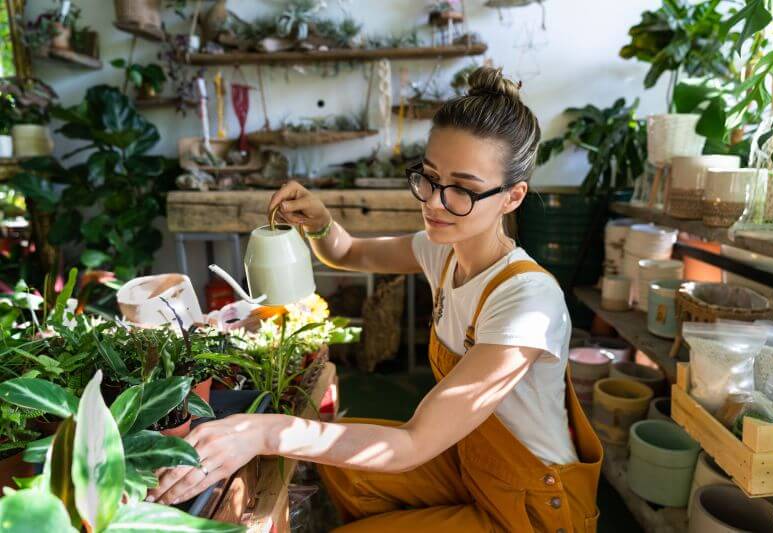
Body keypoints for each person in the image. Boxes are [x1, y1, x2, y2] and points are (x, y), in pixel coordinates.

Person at [150, 66, 603, 532]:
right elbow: (348, 251)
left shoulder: (528, 302)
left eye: (463, 190)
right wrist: (320, 221)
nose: (434, 202)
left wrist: (265, 432)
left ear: (512, 197)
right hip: (469, 462)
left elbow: (412, 443)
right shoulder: (442, 251)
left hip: (529, 506)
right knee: (345, 470)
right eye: (428, 178)